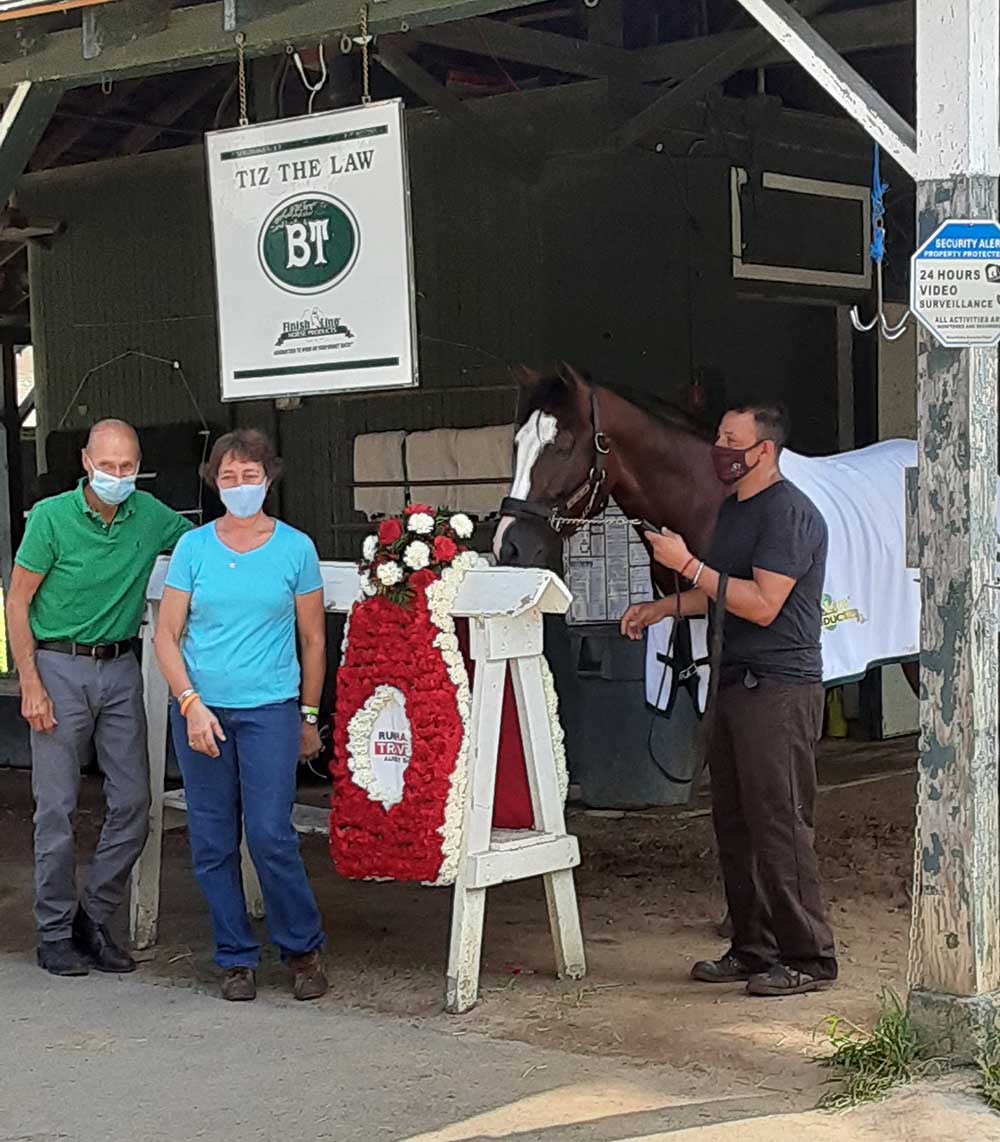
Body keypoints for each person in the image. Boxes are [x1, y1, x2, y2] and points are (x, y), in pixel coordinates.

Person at [621, 403, 837, 997]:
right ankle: (753, 945)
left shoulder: (790, 514)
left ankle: (810, 955)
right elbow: (723, 592)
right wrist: (665, 606)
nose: (719, 446)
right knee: (735, 821)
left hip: (779, 687)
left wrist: (686, 565)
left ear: (763, 449)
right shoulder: (736, 511)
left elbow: (763, 603)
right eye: (719, 435)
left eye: (730, 438)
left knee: (780, 821)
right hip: (735, 680)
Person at [6, 419, 192, 977]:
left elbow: (202, 544)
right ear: (86, 461)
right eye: (107, 465)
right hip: (58, 664)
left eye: (127, 466)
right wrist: (30, 682)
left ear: (139, 465)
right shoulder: (51, 518)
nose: (117, 476)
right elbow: (17, 603)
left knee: (135, 801)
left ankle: (94, 916)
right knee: (57, 807)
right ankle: (54, 932)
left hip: (119, 667)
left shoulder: (150, 514)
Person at [153, 428, 328, 1003]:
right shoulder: (195, 549)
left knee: (271, 832)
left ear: (268, 478)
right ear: (215, 482)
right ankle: (234, 956)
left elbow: (313, 639)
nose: (239, 485)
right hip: (201, 710)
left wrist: (307, 714)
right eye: (228, 476)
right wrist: (189, 703)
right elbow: (167, 634)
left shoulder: (295, 548)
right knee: (211, 838)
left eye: (249, 475)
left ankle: (302, 949)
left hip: (271, 710)